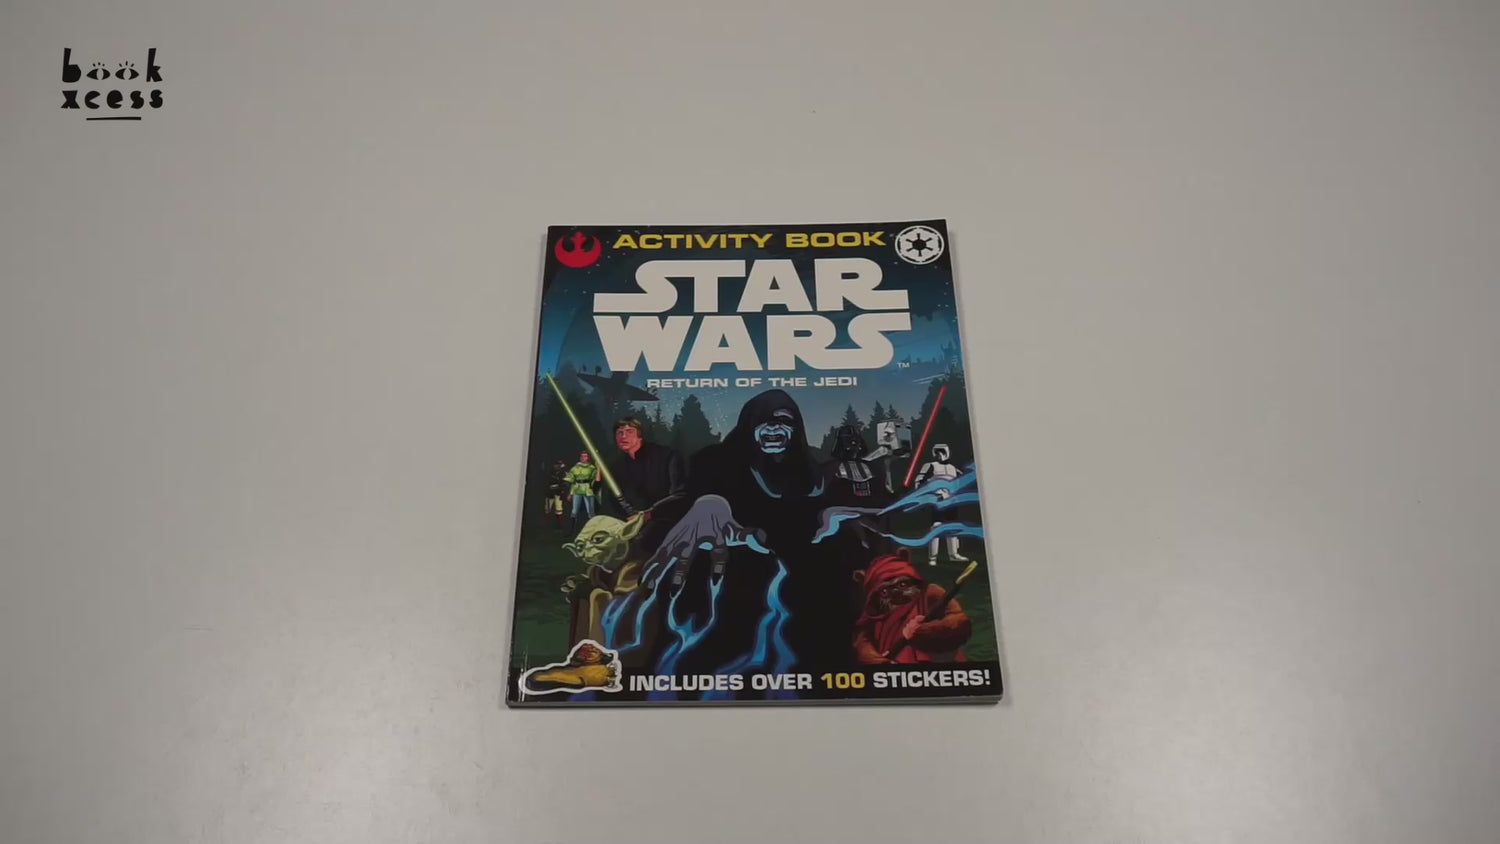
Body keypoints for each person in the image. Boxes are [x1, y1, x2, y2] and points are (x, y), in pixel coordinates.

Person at [852, 553, 971, 664]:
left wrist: (922, 631)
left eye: (902, 585)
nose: (895, 592)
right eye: (884, 591)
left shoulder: (929, 593)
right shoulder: (873, 616)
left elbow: (958, 621)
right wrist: (880, 662)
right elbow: (863, 645)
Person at [603, 417, 686, 555]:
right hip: (631, 523)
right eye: (619, 433)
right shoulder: (617, 466)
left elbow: (680, 495)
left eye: (629, 431)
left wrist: (648, 515)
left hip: (667, 522)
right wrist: (628, 518)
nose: (623, 436)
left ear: (639, 435)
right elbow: (613, 500)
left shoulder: (667, 456)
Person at [913, 443, 970, 564]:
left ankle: (953, 554)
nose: (940, 455)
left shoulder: (952, 468)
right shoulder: (930, 466)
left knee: (953, 527)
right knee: (936, 526)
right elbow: (919, 480)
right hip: (938, 499)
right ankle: (933, 557)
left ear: (947, 453)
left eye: (942, 452)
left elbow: (961, 481)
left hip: (951, 500)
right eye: (937, 452)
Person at [564, 452, 601, 531]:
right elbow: (572, 481)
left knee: (591, 511)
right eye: (582, 456)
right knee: (574, 511)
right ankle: (572, 530)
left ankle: (592, 529)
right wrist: (570, 494)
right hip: (577, 490)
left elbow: (597, 479)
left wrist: (598, 468)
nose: (583, 458)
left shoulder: (591, 468)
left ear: (588, 458)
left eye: (585, 456)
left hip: (588, 490)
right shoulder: (575, 468)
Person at [544, 459, 569, 529]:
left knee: (559, 509)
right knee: (547, 509)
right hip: (550, 493)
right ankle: (546, 525)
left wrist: (561, 487)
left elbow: (567, 483)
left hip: (559, 493)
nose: (557, 466)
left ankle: (560, 525)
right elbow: (546, 482)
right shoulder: (549, 473)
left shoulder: (564, 473)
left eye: (559, 465)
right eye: (556, 465)